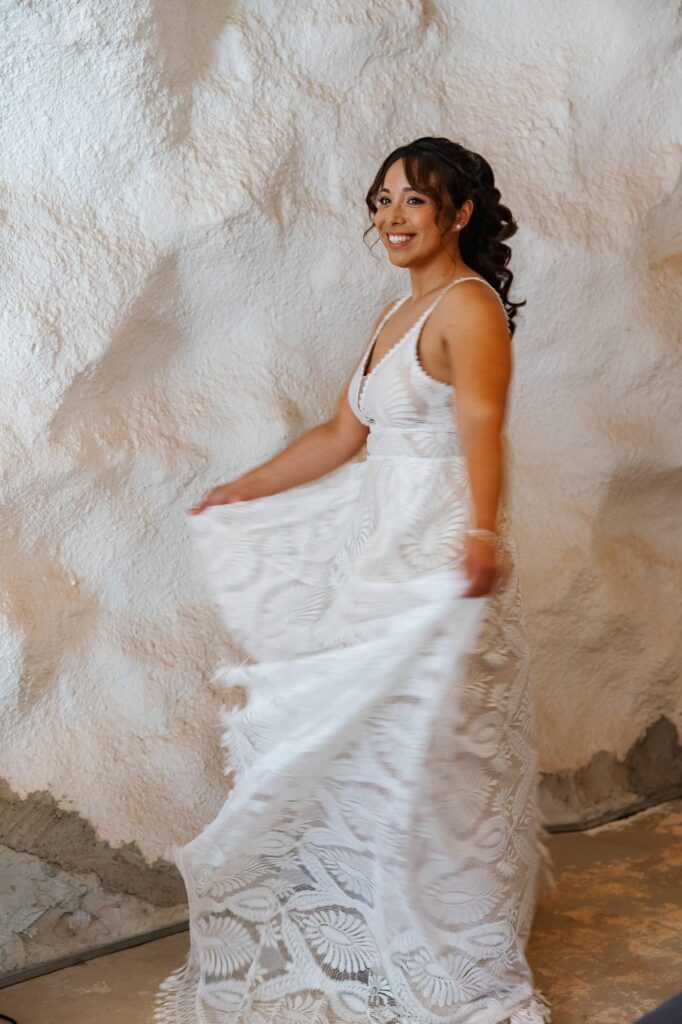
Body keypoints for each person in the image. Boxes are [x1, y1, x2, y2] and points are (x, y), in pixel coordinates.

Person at [155, 137, 553, 1024]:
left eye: (415, 201)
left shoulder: (468, 307)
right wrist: (242, 487)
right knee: (368, 745)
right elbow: (343, 435)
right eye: (381, 201)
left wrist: (483, 534)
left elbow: (484, 428)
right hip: (381, 548)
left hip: (442, 548)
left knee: (434, 750)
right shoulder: (392, 316)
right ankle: (377, 929)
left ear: (459, 215)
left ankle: (451, 946)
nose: (392, 218)